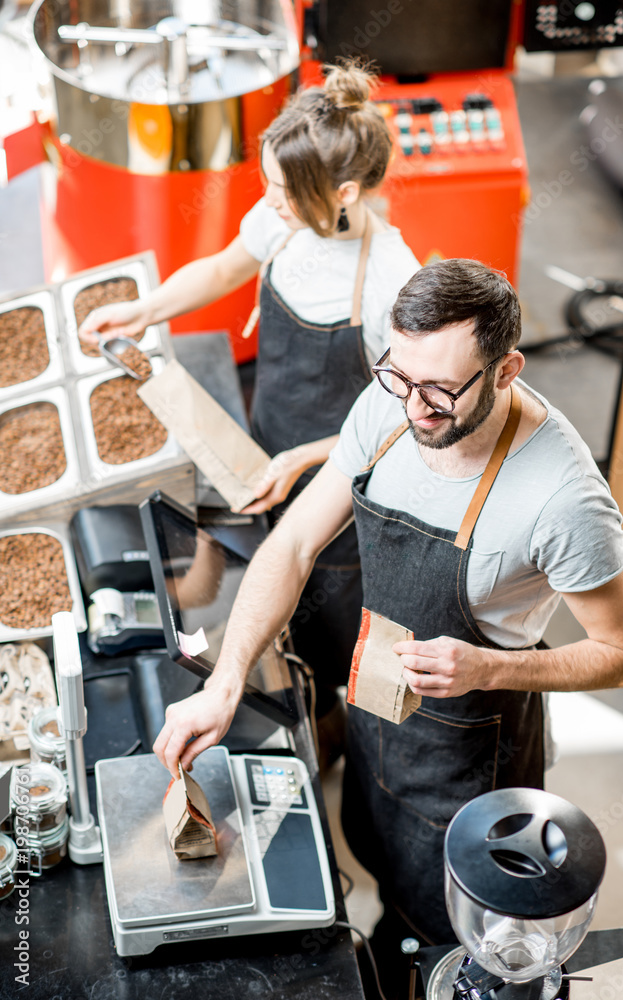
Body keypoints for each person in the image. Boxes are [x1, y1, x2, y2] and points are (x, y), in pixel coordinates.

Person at [153, 257, 623, 962]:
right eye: (400, 377)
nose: (415, 407)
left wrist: (486, 667)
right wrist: (225, 681)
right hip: (377, 703)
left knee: (446, 931)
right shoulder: (392, 404)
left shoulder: (562, 500)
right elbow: (293, 544)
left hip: (470, 751)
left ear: (506, 371)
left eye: (440, 391)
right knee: (375, 851)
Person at [78, 62, 420, 744]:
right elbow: (226, 265)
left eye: (283, 192)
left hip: (336, 474)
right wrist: (144, 310)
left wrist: (304, 459)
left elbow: (405, 412)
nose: (268, 202)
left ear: (344, 191)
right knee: (243, 535)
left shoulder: (392, 280)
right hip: (270, 431)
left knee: (323, 608)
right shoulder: (284, 223)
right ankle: (222, 607)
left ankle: (325, 718)